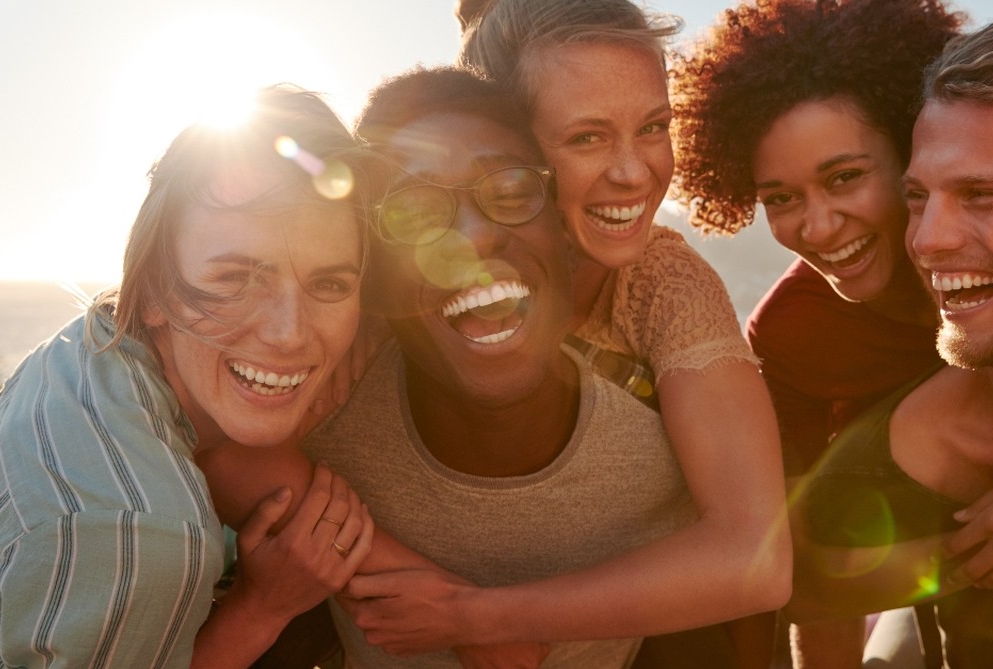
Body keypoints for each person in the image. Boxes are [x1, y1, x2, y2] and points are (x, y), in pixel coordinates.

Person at [668, 0, 993, 665]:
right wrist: (992, 546)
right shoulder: (797, 332)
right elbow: (805, 566)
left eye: (845, 177)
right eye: (779, 197)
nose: (816, 227)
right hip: (934, 539)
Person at [296, 66, 791, 668]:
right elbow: (226, 453)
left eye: (509, 193)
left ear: (565, 230)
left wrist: (472, 618)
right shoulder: (325, 413)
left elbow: (752, 570)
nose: (475, 238)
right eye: (415, 213)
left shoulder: (663, 457)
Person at [0, 85, 374, 668]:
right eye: (237, 277)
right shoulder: (139, 533)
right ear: (156, 286)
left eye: (330, 284)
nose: (290, 334)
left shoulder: (91, 345)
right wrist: (261, 608)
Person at [460, 1, 790, 664]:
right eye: (587, 137)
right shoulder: (412, 270)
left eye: (653, 127)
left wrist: (483, 617)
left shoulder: (664, 281)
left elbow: (756, 553)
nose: (636, 172)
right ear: (505, 149)